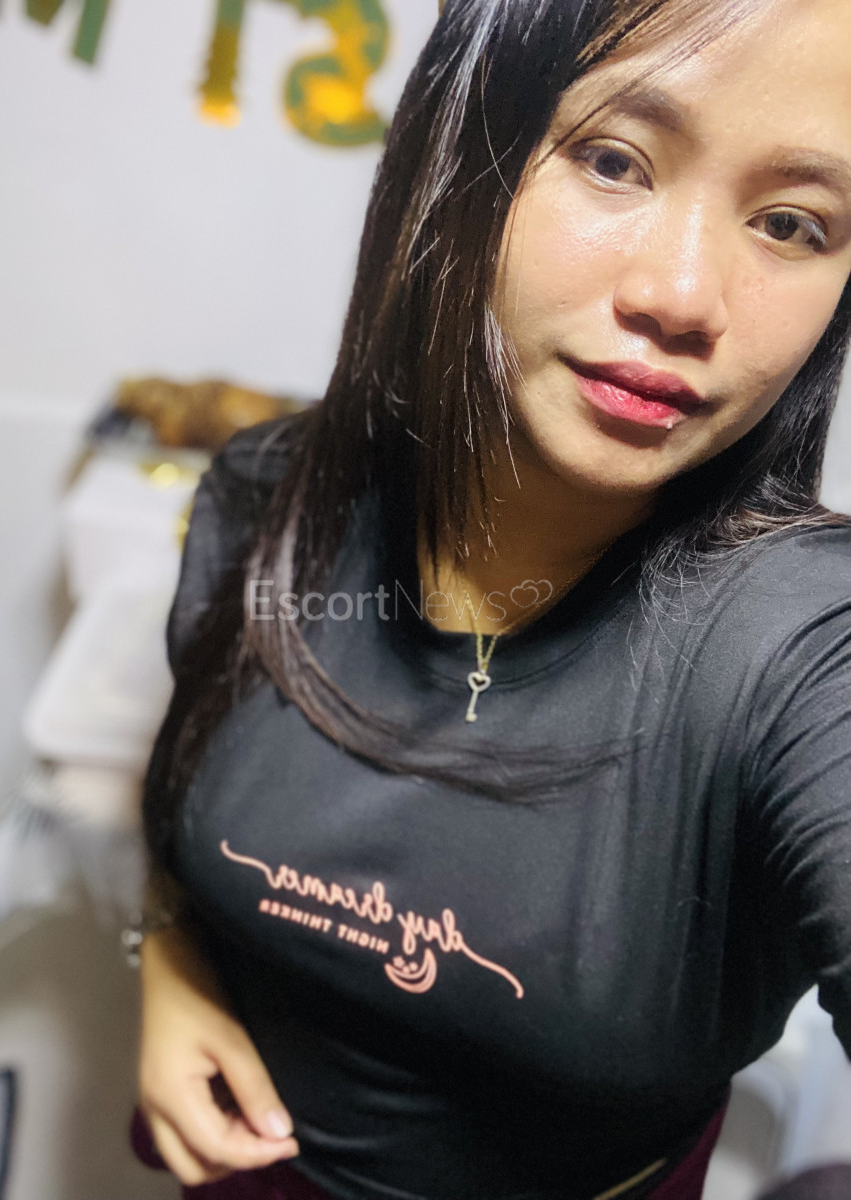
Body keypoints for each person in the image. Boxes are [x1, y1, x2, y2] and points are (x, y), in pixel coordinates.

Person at [135, 0, 851, 1198]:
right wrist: (166, 953)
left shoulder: (802, 645)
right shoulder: (264, 496)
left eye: (792, 223)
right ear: (460, 146)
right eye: (614, 159)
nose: (683, 296)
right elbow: (173, 785)